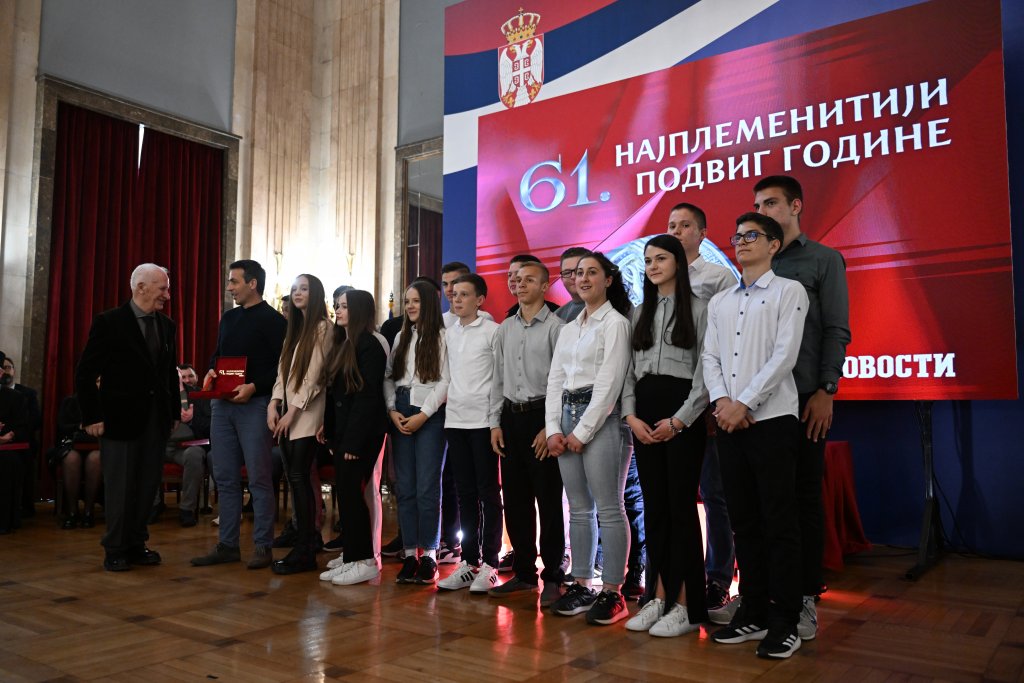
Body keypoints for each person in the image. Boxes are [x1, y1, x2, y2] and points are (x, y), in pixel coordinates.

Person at [704, 212, 808, 659]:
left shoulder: (789, 291)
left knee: (779, 523)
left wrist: (743, 403)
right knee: (743, 520)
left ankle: (785, 620)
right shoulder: (720, 301)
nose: (742, 242)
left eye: (752, 235)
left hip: (772, 420)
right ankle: (753, 610)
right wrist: (723, 402)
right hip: (729, 421)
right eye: (737, 236)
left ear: (773, 245)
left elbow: (785, 356)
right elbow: (709, 357)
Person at [753, 175, 851, 640]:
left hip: (806, 396)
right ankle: (761, 596)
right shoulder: (754, 261)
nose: (763, 211)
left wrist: (826, 389)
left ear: (795, 206)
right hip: (756, 401)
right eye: (757, 205)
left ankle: (806, 595)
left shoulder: (823, 260)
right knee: (760, 502)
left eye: (771, 203)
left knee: (802, 498)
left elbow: (835, 329)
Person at [621, 234, 709, 637]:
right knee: (655, 508)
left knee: (680, 509)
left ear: (678, 262)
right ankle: (657, 596)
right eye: (648, 260)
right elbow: (627, 373)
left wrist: (680, 420)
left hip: (682, 416)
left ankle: (687, 606)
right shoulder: (639, 312)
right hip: (644, 415)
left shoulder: (701, 309)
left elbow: (706, 374)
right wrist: (631, 416)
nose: (653, 266)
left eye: (661, 259)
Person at [545, 251, 633, 625]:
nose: (582, 279)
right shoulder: (569, 327)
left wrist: (582, 432)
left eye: (591, 272)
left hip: (603, 419)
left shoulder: (616, 323)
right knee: (579, 507)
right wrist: (554, 429)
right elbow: (555, 382)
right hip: (567, 415)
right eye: (578, 273)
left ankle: (613, 591)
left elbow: (610, 383)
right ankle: (582, 584)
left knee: (609, 507)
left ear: (608, 280)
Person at [75, 263, 179, 571]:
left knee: (147, 486)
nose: (167, 295)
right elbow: (85, 373)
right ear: (141, 287)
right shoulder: (109, 322)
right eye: (162, 289)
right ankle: (115, 548)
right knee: (120, 487)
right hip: (118, 419)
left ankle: (136, 543)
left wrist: (173, 412)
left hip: (156, 420)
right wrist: (92, 416)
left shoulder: (167, 325)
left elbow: (168, 374)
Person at [666, 201, 740, 622]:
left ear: (702, 234)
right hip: (669, 399)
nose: (676, 232)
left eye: (684, 226)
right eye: (671, 225)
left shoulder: (718, 277)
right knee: (673, 496)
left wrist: (717, 396)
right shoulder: (659, 277)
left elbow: (729, 339)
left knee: (714, 494)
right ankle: (675, 575)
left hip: (710, 396)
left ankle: (718, 577)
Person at [192, 260, 286, 570]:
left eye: (234, 281)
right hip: (222, 405)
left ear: (252, 283)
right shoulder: (229, 318)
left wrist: (255, 386)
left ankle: (263, 546)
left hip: (255, 405)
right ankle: (227, 545)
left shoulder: (274, 321)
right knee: (225, 477)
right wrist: (210, 370)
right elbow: (219, 355)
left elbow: (282, 367)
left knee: (259, 478)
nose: (229, 287)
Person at [487, 261, 566, 606]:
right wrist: (495, 423)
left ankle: (553, 577)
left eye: (529, 280)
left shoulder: (558, 327)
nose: (519, 284)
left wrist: (551, 425)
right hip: (511, 417)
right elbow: (498, 379)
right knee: (516, 500)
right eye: (517, 279)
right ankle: (523, 573)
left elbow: (563, 381)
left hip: (542, 416)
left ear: (545, 286)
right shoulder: (505, 327)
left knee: (548, 501)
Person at [437, 273, 503, 594]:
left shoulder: (493, 331)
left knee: (488, 492)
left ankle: (490, 562)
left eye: (464, 294)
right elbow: (445, 379)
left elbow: (500, 380)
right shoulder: (449, 333)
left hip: (483, 423)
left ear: (480, 300)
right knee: (464, 493)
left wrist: (495, 422)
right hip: (456, 422)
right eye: (453, 294)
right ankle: (469, 560)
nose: (456, 298)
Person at [317, 289, 388, 585]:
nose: (338, 310)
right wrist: (329, 428)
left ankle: (365, 560)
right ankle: (352, 555)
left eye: (344, 306)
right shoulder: (344, 343)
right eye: (337, 306)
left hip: (362, 435)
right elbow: (336, 395)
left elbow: (366, 397)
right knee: (345, 494)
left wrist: (353, 442)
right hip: (344, 434)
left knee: (353, 495)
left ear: (359, 310)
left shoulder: (369, 345)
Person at [384, 280, 450, 586]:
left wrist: (424, 415)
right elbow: (389, 377)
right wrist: (391, 409)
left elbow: (446, 381)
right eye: (407, 301)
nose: (410, 306)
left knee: (427, 488)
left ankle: (430, 555)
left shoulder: (442, 336)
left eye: (416, 301)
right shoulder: (401, 336)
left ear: (429, 303)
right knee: (405, 487)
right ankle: (410, 553)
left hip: (430, 415)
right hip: (400, 410)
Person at [267, 274, 332, 575]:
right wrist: (273, 403)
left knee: (300, 477)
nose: (297, 293)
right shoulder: (294, 329)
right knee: (294, 479)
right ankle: (304, 543)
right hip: (288, 413)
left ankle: (306, 548)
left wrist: (292, 412)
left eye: (304, 289)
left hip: (308, 413)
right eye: (294, 289)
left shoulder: (323, 328)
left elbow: (314, 377)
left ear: (315, 293)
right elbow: (282, 374)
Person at [151, 364, 210, 527]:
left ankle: (187, 509)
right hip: (161, 446)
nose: (184, 380)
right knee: (147, 453)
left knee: (195, 455)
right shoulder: (157, 395)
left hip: (187, 448)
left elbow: (210, 426)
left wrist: (193, 418)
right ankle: (154, 505)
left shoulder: (200, 395)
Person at [1, 354, 41, 519]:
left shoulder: (25, 394)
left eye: (8, 367)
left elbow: (32, 421)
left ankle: (21, 507)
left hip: (18, 440)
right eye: (3, 368)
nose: (5, 371)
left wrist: (11, 434)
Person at [53, 390, 101, 529]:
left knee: (95, 459)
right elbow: (61, 427)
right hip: (72, 443)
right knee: (71, 458)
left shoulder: (107, 402)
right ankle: (72, 511)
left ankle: (88, 511)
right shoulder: (70, 402)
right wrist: (80, 426)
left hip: (98, 444)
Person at [504, 255, 560, 319]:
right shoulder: (510, 316)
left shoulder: (557, 313)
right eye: (509, 275)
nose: (511, 279)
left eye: (518, 274)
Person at [553, 247, 588, 323]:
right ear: (562, 279)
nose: (573, 277)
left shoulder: (612, 306)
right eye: (567, 273)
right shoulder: (556, 317)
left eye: (579, 271)